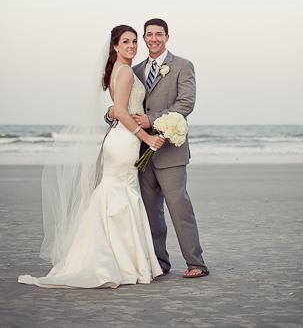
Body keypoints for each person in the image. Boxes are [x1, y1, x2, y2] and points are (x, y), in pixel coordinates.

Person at [18, 25, 164, 288]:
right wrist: (147, 137)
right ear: (115, 47)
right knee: (120, 194)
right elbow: (120, 111)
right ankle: (121, 262)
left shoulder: (115, 71)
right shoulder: (127, 72)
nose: (132, 46)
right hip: (124, 140)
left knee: (114, 193)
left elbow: (114, 109)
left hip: (118, 139)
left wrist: (121, 117)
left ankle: (115, 257)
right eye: (126, 42)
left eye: (134, 41)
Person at [106, 18, 208, 278]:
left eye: (158, 34)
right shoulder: (135, 69)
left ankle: (195, 262)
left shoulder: (182, 66)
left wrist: (153, 121)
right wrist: (111, 115)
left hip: (170, 150)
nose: (153, 39)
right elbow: (124, 105)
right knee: (150, 212)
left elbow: (186, 104)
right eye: (148, 35)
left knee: (179, 207)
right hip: (138, 150)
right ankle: (159, 264)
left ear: (167, 36)